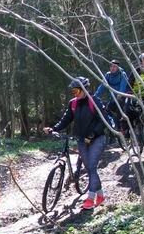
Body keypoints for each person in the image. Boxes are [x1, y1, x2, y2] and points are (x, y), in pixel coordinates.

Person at [44, 77, 109, 210]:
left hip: (97, 139)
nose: (75, 94)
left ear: (84, 89)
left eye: (77, 91)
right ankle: (100, 195)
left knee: (91, 167)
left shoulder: (94, 101)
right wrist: (53, 128)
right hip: (81, 140)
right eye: (73, 92)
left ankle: (90, 199)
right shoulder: (73, 103)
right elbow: (66, 119)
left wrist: (92, 135)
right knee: (91, 169)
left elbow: (103, 121)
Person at [94, 59, 129, 138]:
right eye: (111, 66)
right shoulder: (108, 75)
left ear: (118, 68)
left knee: (120, 110)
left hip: (121, 97)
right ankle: (113, 129)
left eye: (115, 66)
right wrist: (95, 96)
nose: (112, 68)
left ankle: (122, 128)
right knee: (106, 110)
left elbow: (123, 86)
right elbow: (102, 86)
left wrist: (119, 95)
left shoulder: (122, 74)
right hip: (112, 98)